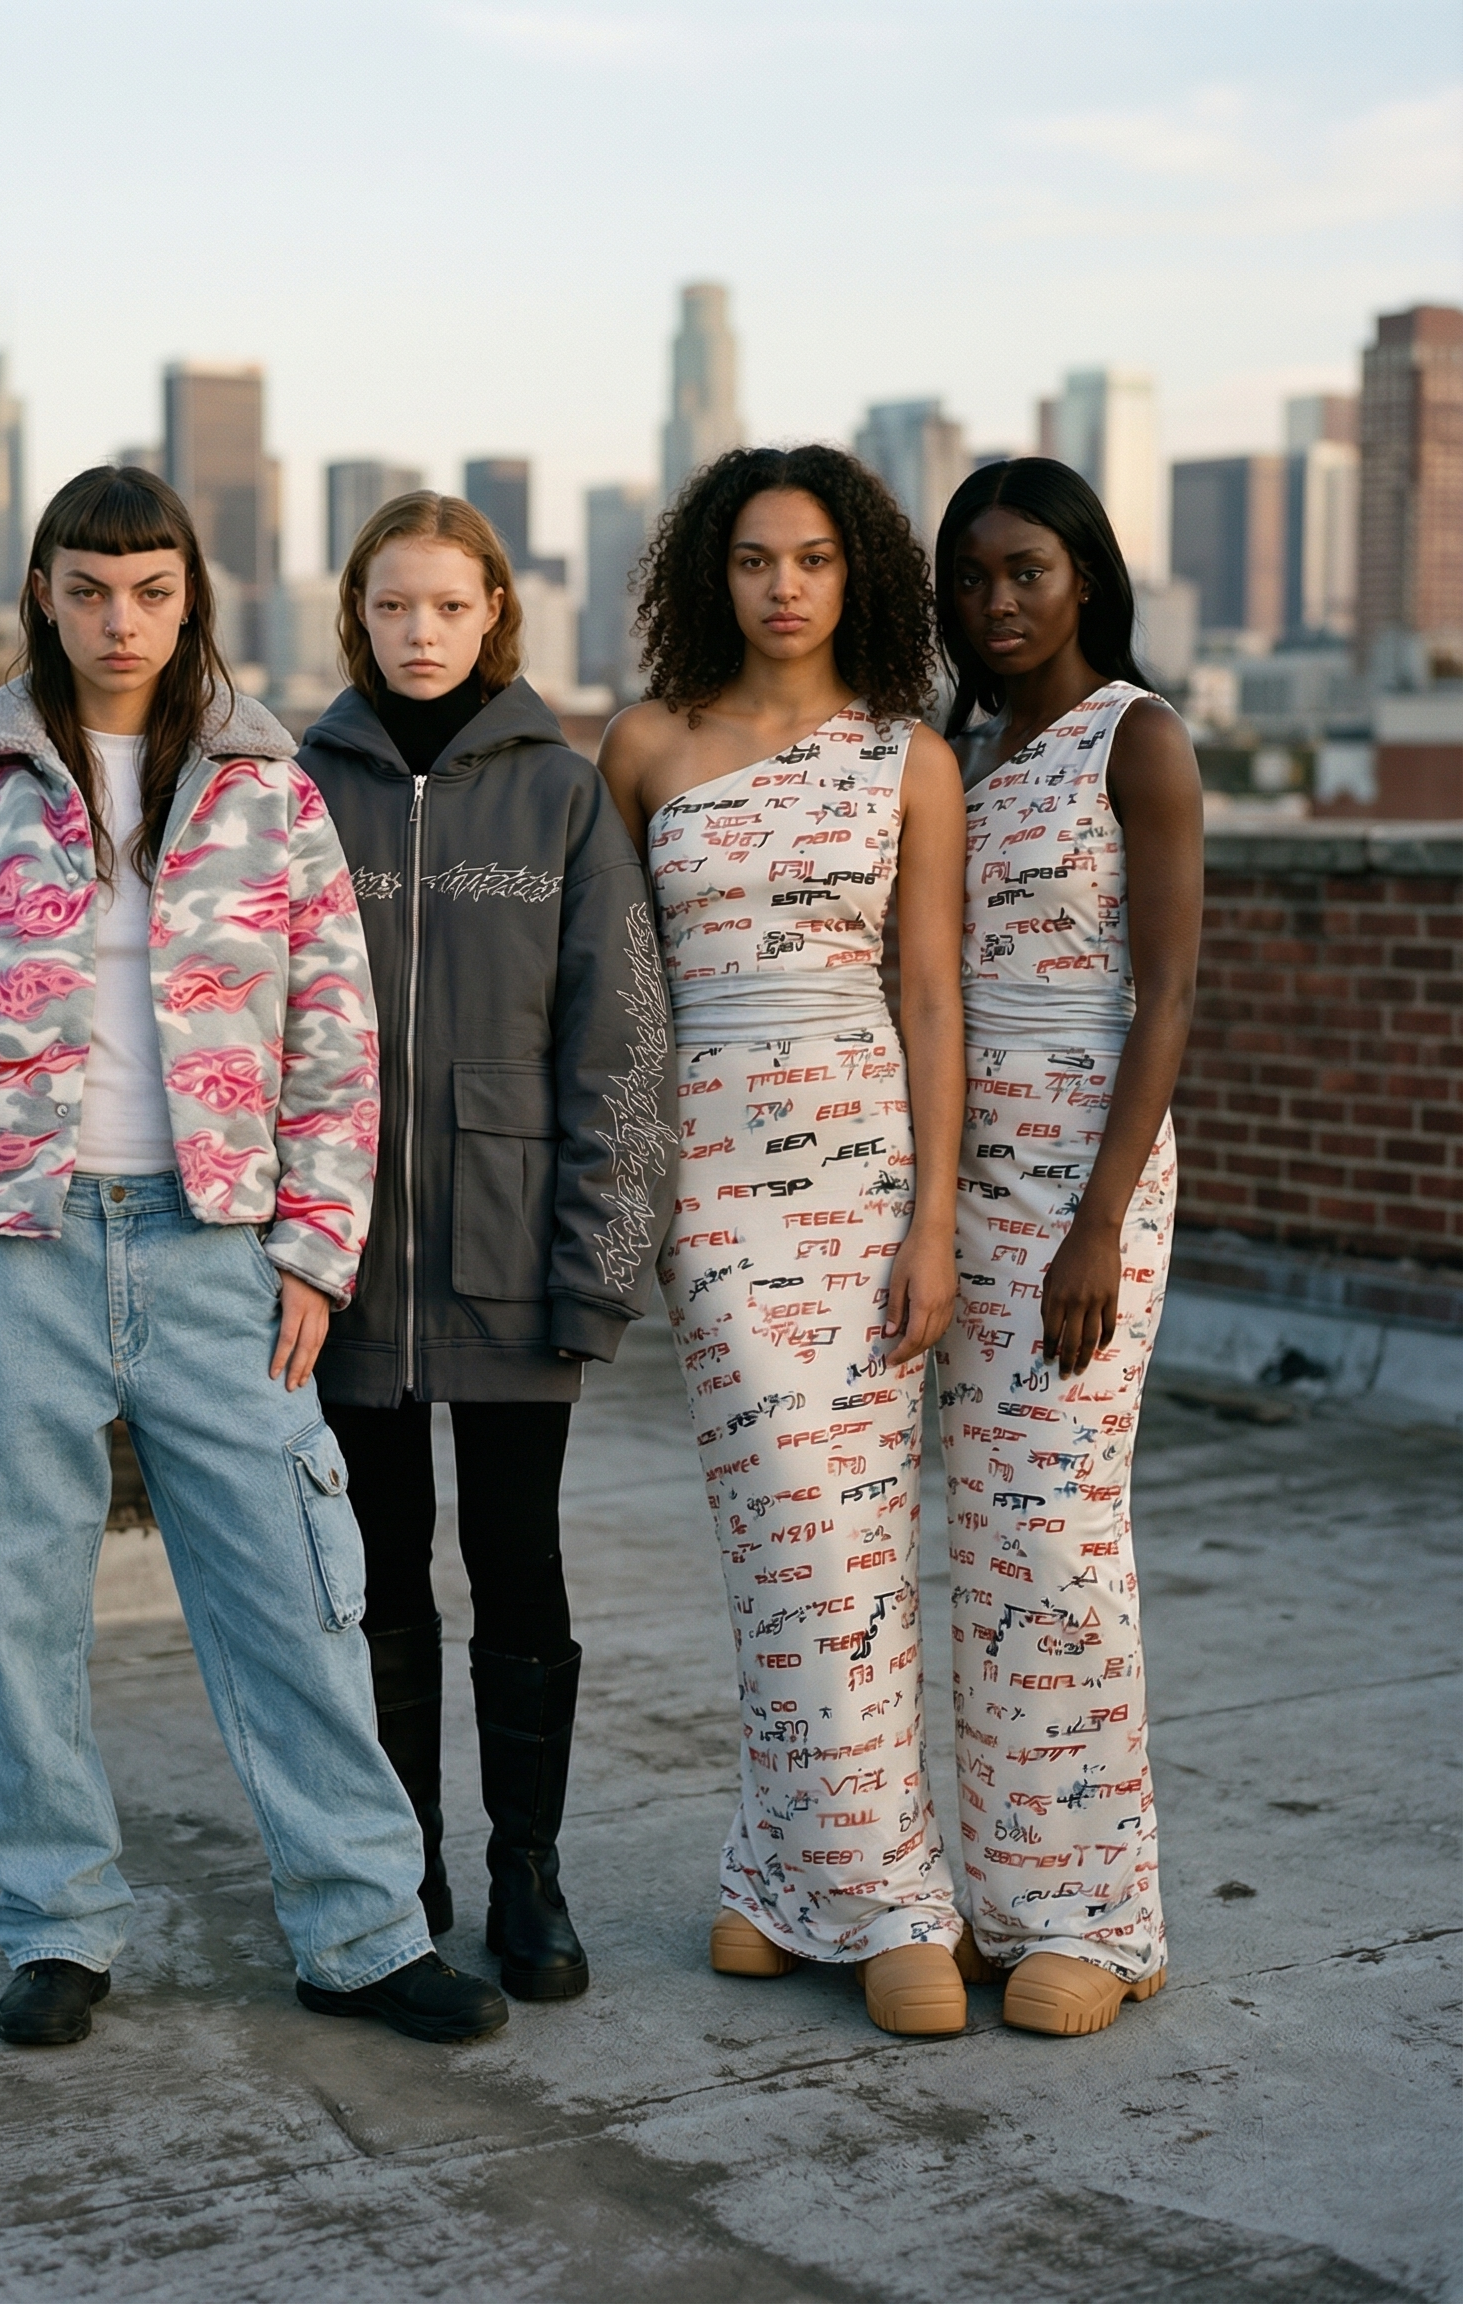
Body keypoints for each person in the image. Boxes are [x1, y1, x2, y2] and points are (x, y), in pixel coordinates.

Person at [0, 465, 505, 2049]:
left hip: (218, 1255)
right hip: (13, 1253)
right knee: (12, 1608)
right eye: (87, 590)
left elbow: (337, 1038)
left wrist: (316, 1250)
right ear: (44, 596)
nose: (119, 622)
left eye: (149, 591)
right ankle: (56, 1928)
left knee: (295, 1596)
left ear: (189, 594)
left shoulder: (270, 794)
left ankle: (364, 1934)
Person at [600, 445, 974, 2038]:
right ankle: (857, 1892)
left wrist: (935, 1220)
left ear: (856, 573)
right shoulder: (645, 746)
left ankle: (805, 1887)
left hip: (868, 1176)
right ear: (714, 575)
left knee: (853, 1540)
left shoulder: (910, 759)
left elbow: (932, 996)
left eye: (814, 558)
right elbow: (613, 1000)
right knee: (785, 1537)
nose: (784, 586)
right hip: (715, 1186)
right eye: (755, 558)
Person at [297, 492, 674, 2003]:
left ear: (496, 614)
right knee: (376, 1578)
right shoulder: (296, 788)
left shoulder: (563, 795)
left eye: (451, 606)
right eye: (393, 605)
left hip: (513, 1265)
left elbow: (621, 1050)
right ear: (357, 614)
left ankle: (529, 1871)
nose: (422, 632)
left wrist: (599, 1270)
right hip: (340, 1271)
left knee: (518, 1570)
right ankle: (404, 1867)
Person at [930, 456, 1201, 2037]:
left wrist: (1098, 1220)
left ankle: (1110, 1919)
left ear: (1084, 573)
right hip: (970, 1189)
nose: (998, 603)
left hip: (1088, 1194)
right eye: (971, 578)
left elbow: (1165, 998)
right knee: (987, 1549)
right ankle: (1008, 1898)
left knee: (1064, 1541)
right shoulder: (967, 751)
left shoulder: (1135, 739)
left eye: (1025, 570)